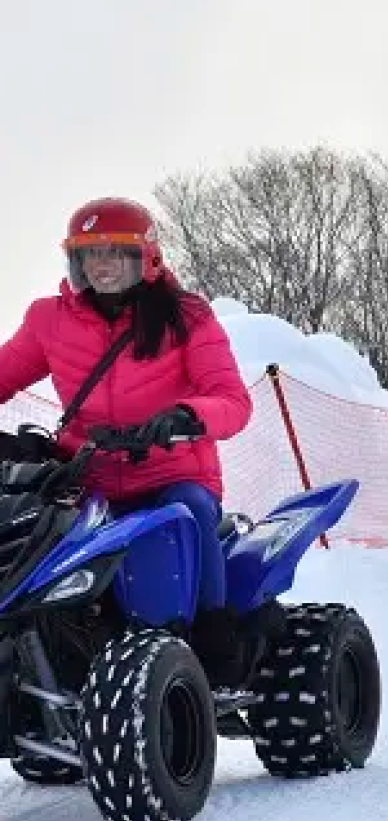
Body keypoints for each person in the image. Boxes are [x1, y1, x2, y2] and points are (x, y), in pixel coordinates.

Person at [0, 196, 255, 685]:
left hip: (172, 472)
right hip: (85, 477)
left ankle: (213, 645)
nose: (102, 265)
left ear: (147, 257)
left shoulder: (187, 317)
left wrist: (184, 417)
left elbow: (232, 400)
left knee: (187, 513)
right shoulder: (48, 319)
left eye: (116, 252)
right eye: (89, 253)